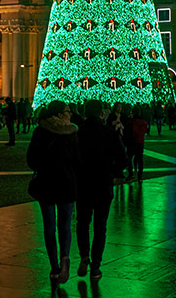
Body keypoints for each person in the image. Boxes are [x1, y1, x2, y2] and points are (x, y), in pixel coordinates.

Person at [26, 100, 81, 284]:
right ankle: (65, 257)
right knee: (65, 225)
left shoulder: (40, 131)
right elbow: (77, 161)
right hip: (67, 184)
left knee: (49, 227)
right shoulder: (72, 133)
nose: (70, 113)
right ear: (59, 114)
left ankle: (54, 268)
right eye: (67, 111)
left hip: (46, 184)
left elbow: (31, 160)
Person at [76, 100, 126, 280]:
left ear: (84, 113)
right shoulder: (109, 133)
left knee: (82, 223)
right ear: (101, 114)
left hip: (83, 185)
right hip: (104, 184)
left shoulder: (78, 134)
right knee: (100, 227)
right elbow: (123, 157)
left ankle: (84, 256)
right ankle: (95, 267)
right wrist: (113, 172)